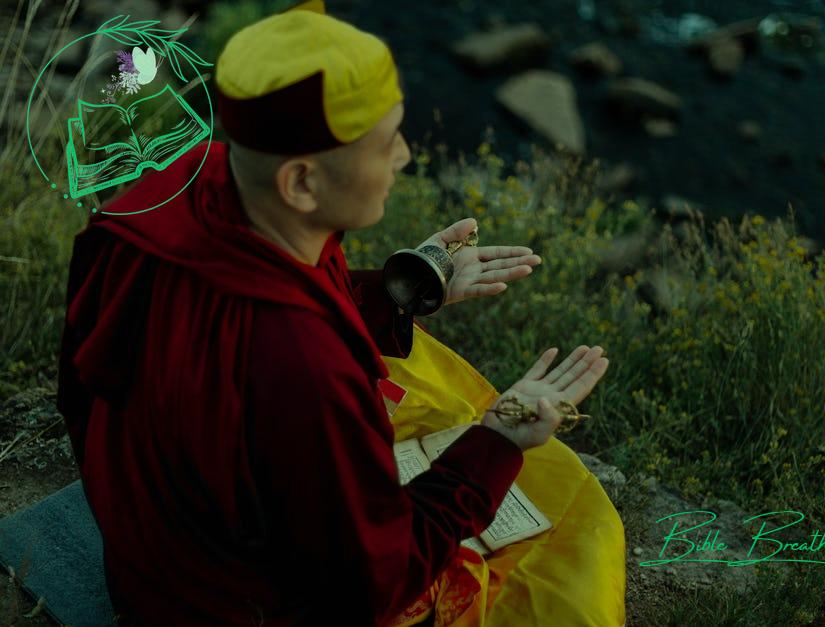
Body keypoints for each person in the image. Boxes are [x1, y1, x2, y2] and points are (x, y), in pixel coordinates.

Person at [56, 1, 623, 625]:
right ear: (301, 183)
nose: (405, 158)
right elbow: (372, 581)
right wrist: (498, 440)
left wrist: (404, 288)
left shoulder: (178, 189)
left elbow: (240, 311)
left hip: (150, 558)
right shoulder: (306, 369)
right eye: (387, 142)